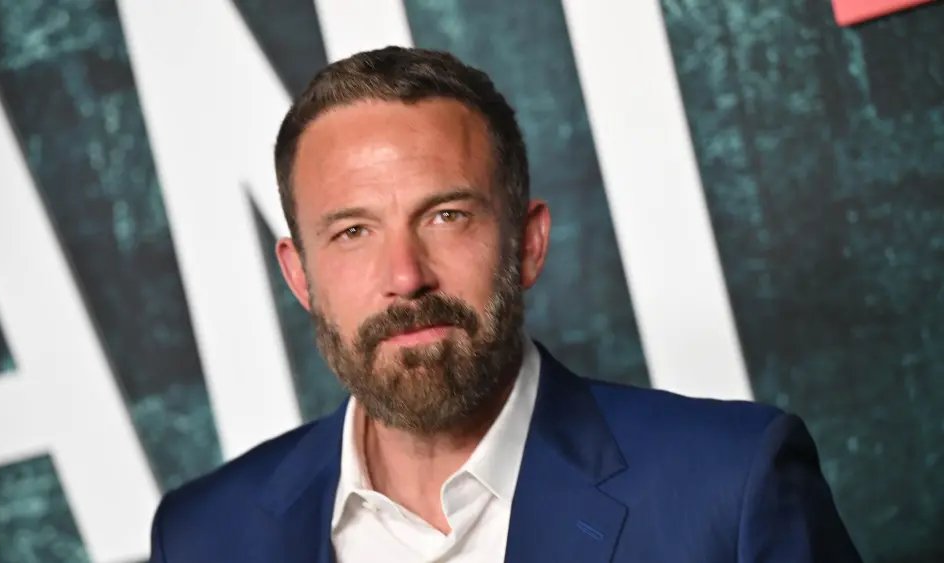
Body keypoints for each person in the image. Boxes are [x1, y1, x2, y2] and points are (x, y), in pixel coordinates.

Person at [149, 47, 861, 563]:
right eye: (353, 232)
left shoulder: (731, 489)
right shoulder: (202, 537)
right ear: (300, 275)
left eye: (447, 216)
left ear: (528, 244)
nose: (405, 277)